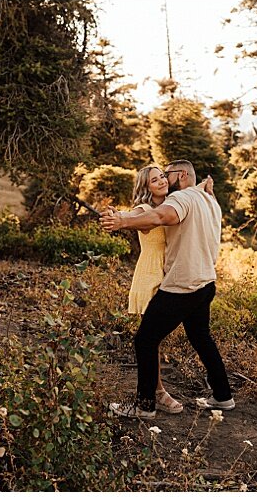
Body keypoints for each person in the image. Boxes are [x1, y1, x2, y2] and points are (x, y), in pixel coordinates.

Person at [103, 160, 233, 419]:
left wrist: (121, 222)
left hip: (182, 286)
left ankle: (144, 406)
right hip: (206, 282)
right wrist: (126, 216)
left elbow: (161, 216)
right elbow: (148, 213)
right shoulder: (210, 201)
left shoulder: (183, 198)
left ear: (181, 175)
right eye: (157, 177)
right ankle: (223, 395)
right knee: (201, 337)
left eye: (167, 174)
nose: (164, 179)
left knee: (145, 340)